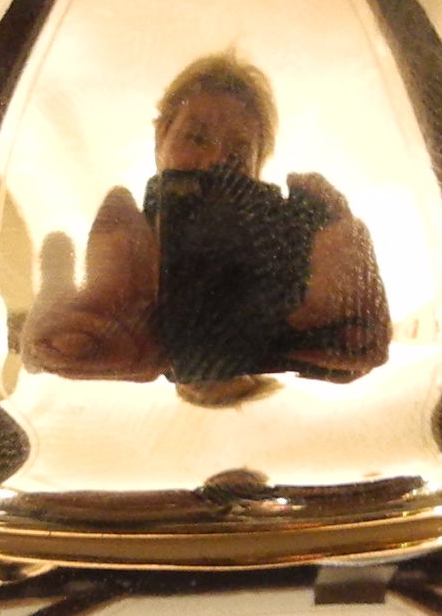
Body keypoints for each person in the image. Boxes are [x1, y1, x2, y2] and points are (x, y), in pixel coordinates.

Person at [23, 55, 391, 402]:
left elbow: (342, 333)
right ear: (161, 136)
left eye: (237, 154)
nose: (214, 161)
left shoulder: (290, 236)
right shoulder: (125, 237)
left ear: (256, 169)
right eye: (196, 137)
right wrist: (60, 332)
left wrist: (333, 265)